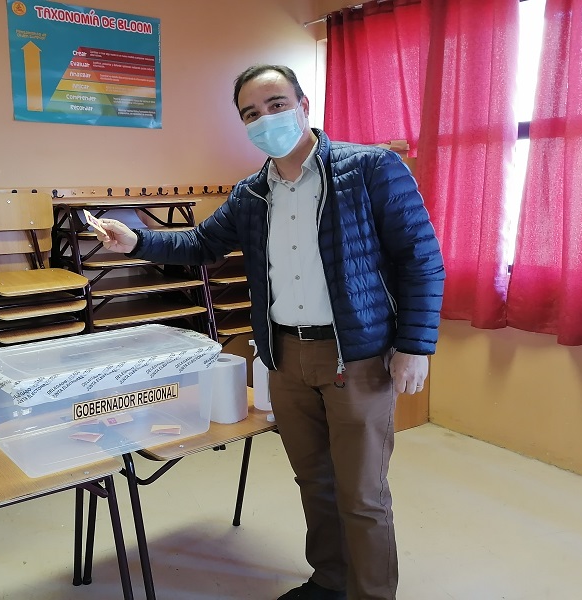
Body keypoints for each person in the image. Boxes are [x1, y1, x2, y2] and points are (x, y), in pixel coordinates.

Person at [95, 64, 445, 600]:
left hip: (355, 356)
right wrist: (138, 241)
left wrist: (415, 346)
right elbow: (200, 244)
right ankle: (329, 581)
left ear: (303, 105)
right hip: (284, 357)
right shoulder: (252, 194)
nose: (266, 119)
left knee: (362, 495)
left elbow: (421, 258)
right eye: (251, 114)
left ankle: (371, 593)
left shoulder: (371, 169)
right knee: (315, 482)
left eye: (276, 104)